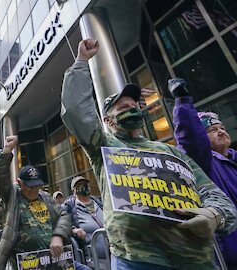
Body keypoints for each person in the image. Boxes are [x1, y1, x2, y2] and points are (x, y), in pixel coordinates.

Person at [60, 38, 237, 269]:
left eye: (135, 107)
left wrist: (215, 216)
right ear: (107, 120)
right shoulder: (103, 146)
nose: (132, 109)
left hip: (193, 260)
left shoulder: (171, 152)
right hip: (136, 259)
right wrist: (82, 61)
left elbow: (211, 193)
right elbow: (76, 110)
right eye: (123, 108)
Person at [0, 136, 90, 270]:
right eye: (30, 186)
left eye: (37, 186)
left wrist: (58, 236)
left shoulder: (46, 197)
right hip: (28, 264)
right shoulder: (12, 196)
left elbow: (64, 216)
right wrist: (7, 151)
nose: (34, 190)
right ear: (20, 183)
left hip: (55, 259)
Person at [169, 78, 237, 269]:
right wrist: (182, 101)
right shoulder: (204, 162)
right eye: (213, 130)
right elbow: (190, 137)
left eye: (222, 128)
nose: (221, 132)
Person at [63, 176, 108, 263]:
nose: (83, 186)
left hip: (113, 256)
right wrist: (73, 230)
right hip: (93, 261)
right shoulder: (69, 207)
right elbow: (61, 226)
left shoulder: (98, 203)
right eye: (79, 185)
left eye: (85, 184)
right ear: (74, 190)